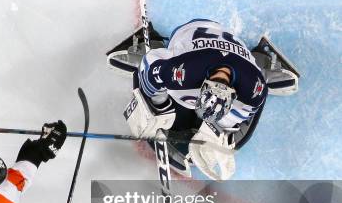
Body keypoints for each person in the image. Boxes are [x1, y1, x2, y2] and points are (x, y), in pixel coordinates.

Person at [107, 19, 299, 180]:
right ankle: (153, 42)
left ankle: (260, 62)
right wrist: (158, 106)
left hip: (232, 56)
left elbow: (245, 109)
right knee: (172, 110)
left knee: (224, 128)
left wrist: (221, 131)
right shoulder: (182, 72)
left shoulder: (254, 89)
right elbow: (150, 66)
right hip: (189, 36)